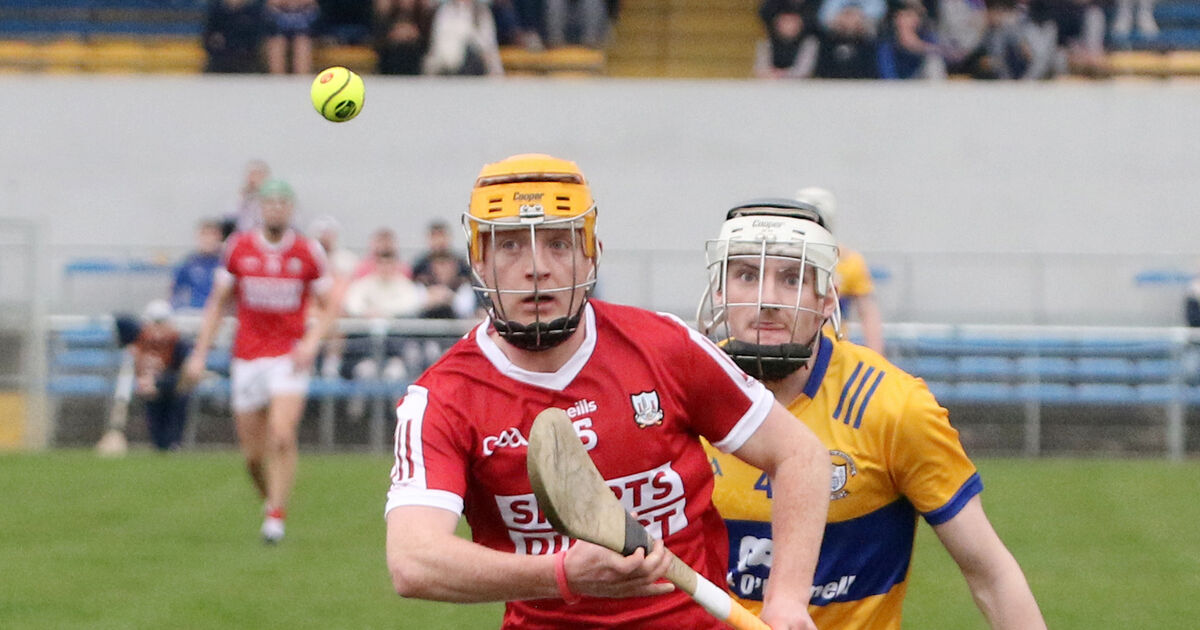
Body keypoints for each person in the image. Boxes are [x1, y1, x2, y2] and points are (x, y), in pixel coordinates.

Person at [384, 154, 828, 629]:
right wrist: (560, 574)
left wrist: (786, 599)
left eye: (559, 243)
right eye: (511, 246)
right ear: (479, 261)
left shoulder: (664, 346)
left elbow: (799, 455)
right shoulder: (443, 398)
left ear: (591, 253)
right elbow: (413, 561)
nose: (537, 268)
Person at [697, 199, 1046, 629]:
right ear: (719, 292)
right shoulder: (677, 395)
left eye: (791, 279)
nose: (767, 300)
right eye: (747, 276)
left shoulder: (894, 407)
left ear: (827, 298)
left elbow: (991, 575)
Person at [183, 178, 335, 544]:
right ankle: (271, 502)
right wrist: (200, 352)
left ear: (291, 209)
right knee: (252, 458)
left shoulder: (307, 251)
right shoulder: (238, 248)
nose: (277, 209)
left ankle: (277, 517)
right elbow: (218, 303)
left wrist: (311, 342)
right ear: (261, 209)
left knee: (282, 434)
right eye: (270, 203)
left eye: (284, 203)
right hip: (247, 357)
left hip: (288, 355)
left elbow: (331, 306)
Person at [794, 186, 885, 355]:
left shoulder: (849, 261)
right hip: (792, 347)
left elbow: (868, 314)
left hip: (833, 351)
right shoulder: (783, 260)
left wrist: (877, 356)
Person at [96, 300, 193, 455]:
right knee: (156, 423)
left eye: (161, 322)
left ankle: (173, 444)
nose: (158, 328)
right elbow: (120, 320)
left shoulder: (177, 341)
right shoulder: (139, 336)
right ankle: (160, 445)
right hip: (148, 389)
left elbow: (184, 370)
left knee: (178, 400)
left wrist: (161, 383)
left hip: (171, 388)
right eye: (155, 322)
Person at [423, 0, 505, 76]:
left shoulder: (482, 13)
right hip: (446, 65)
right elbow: (436, 42)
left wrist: (496, 70)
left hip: (474, 63)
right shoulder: (445, 11)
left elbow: (489, 45)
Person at [171, 219, 226, 313]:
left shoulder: (226, 262)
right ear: (198, 237)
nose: (209, 240)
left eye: (212, 235)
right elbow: (175, 289)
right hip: (195, 312)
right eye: (205, 235)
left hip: (221, 313)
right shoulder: (189, 262)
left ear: (219, 237)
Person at [202, 0, 268, 73]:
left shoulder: (254, 11)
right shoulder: (217, 10)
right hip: (220, 60)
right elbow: (209, 37)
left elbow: (257, 38)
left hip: (247, 61)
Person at [264, 0, 319, 74]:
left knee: (302, 41)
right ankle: (277, 77)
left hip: (302, 14)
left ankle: (302, 77)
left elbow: (312, 4)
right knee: (277, 42)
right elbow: (271, 4)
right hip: (279, 14)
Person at [222, 159, 271, 240]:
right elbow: (228, 217)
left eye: (259, 174)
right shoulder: (241, 196)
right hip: (244, 237)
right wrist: (242, 198)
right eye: (252, 174)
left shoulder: (273, 199)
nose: (255, 178)